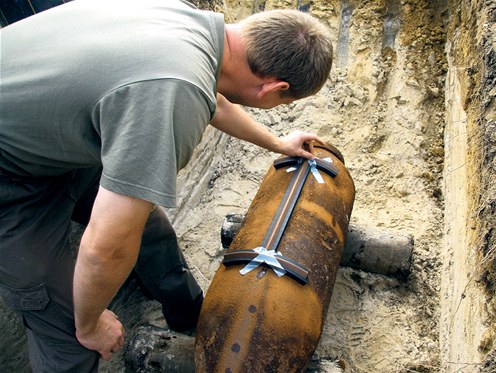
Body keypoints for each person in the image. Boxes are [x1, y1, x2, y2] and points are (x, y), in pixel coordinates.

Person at [0, 0, 333, 372]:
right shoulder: (171, 92)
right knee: (66, 334)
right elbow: (105, 248)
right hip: (10, 181)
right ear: (274, 87)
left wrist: (276, 143)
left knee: (149, 228)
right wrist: (91, 323)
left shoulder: (189, 22)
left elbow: (212, 99)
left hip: (45, 135)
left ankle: (190, 317)